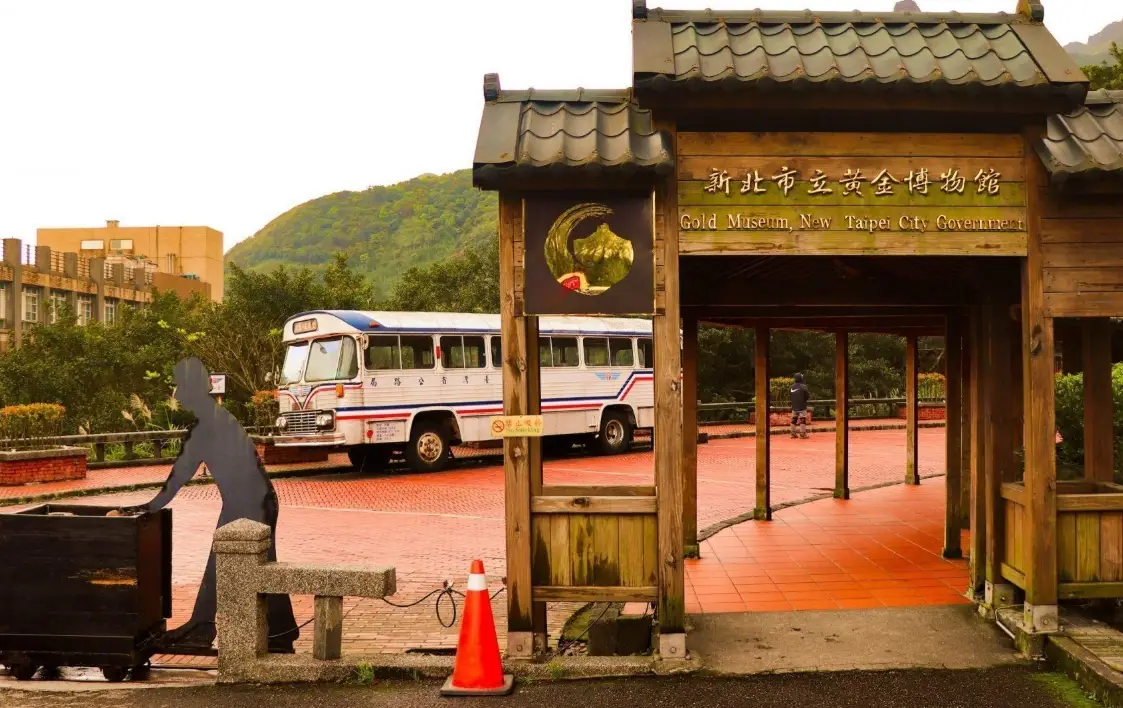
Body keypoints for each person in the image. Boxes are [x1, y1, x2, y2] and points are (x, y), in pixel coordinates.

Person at [134, 357, 298, 653]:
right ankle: (273, 631)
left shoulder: (207, 426)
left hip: (251, 503)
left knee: (243, 565)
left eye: (180, 386)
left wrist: (148, 507)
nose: (177, 393)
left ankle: (213, 628)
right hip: (251, 500)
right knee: (245, 564)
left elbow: (179, 476)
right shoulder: (215, 417)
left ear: (192, 389)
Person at [789, 373, 811, 439]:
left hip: (794, 406)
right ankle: (802, 434)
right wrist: (803, 400)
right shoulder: (803, 386)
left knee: (794, 419)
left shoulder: (791, 386)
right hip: (802, 406)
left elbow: (790, 396)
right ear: (801, 378)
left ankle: (793, 434)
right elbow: (807, 396)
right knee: (802, 419)